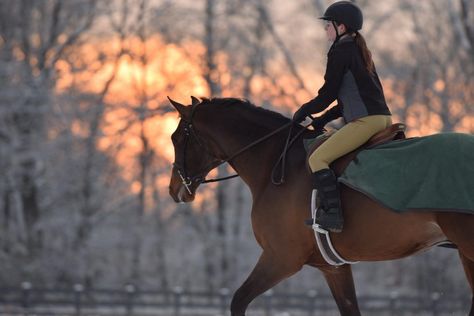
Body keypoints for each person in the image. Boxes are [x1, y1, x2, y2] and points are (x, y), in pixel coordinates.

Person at [293, 1, 392, 233]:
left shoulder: (340, 51)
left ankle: (333, 216)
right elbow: (350, 97)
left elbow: (328, 93)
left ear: (341, 27)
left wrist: (305, 110)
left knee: (317, 159)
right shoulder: (359, 50)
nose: (326, 29)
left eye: (329, 25)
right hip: (381, 119)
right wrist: (323, 119)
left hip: (366, 122)